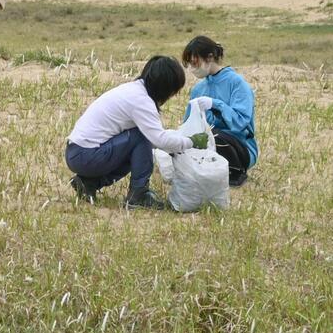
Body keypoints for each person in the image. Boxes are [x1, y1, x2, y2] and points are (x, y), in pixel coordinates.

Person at [65, 56, 209, 209]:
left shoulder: (134, 90)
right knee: (140, 136)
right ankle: (138, 195)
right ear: (165, 88)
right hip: (85, 156)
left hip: (78, 152)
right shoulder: (142, 101)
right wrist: (192, 142)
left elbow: (155, 140)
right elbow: (159, 140)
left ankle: (88, 183)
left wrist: (178, 141)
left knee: (137, 146)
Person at [182, 36, 258, 187]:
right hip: (207, 147)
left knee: (214, 135)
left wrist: (216, 105)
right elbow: (188, 124)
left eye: (195, 63)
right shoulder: (198, 89)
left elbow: (240, 123)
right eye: (189, 64)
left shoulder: (237, 83)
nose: (192, 69)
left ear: (210, 57)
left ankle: (235, 172)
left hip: (238, 146)